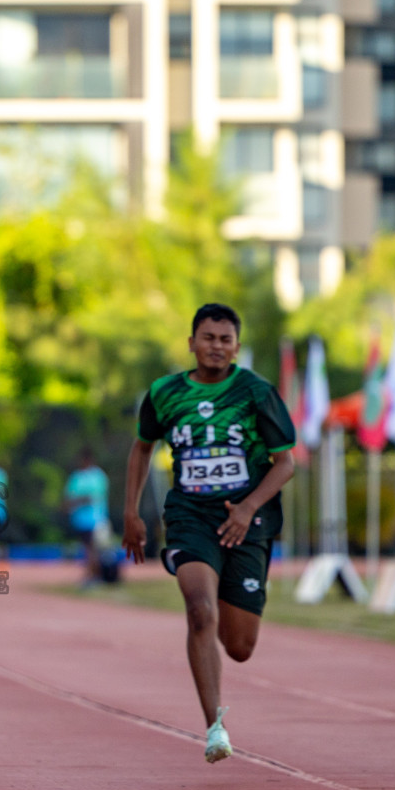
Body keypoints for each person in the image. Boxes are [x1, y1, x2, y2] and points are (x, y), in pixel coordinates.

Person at [122, 304, 295, 764]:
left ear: (236, 346)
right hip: (190, 517)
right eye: (208, 337)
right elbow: (142, 448)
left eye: (225, 339)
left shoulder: (257, 393)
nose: (216, 346)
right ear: (191, 342)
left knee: (239, 647)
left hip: (248, 520)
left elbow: (286, 463)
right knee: (199, 611)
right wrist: (131, 513)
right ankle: (215, 726)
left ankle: (237, 585)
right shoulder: (164, 393)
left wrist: (247, 507)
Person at [64, 449, 111, 585]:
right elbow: (68, 499)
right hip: (80, 520)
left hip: (95, 519)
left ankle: (95, 575)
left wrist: (77, 500)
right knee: (87, 549)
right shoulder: (76, 477)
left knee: (95, 548)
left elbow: (91, 497)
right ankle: (91, 574)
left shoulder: (97, 476)